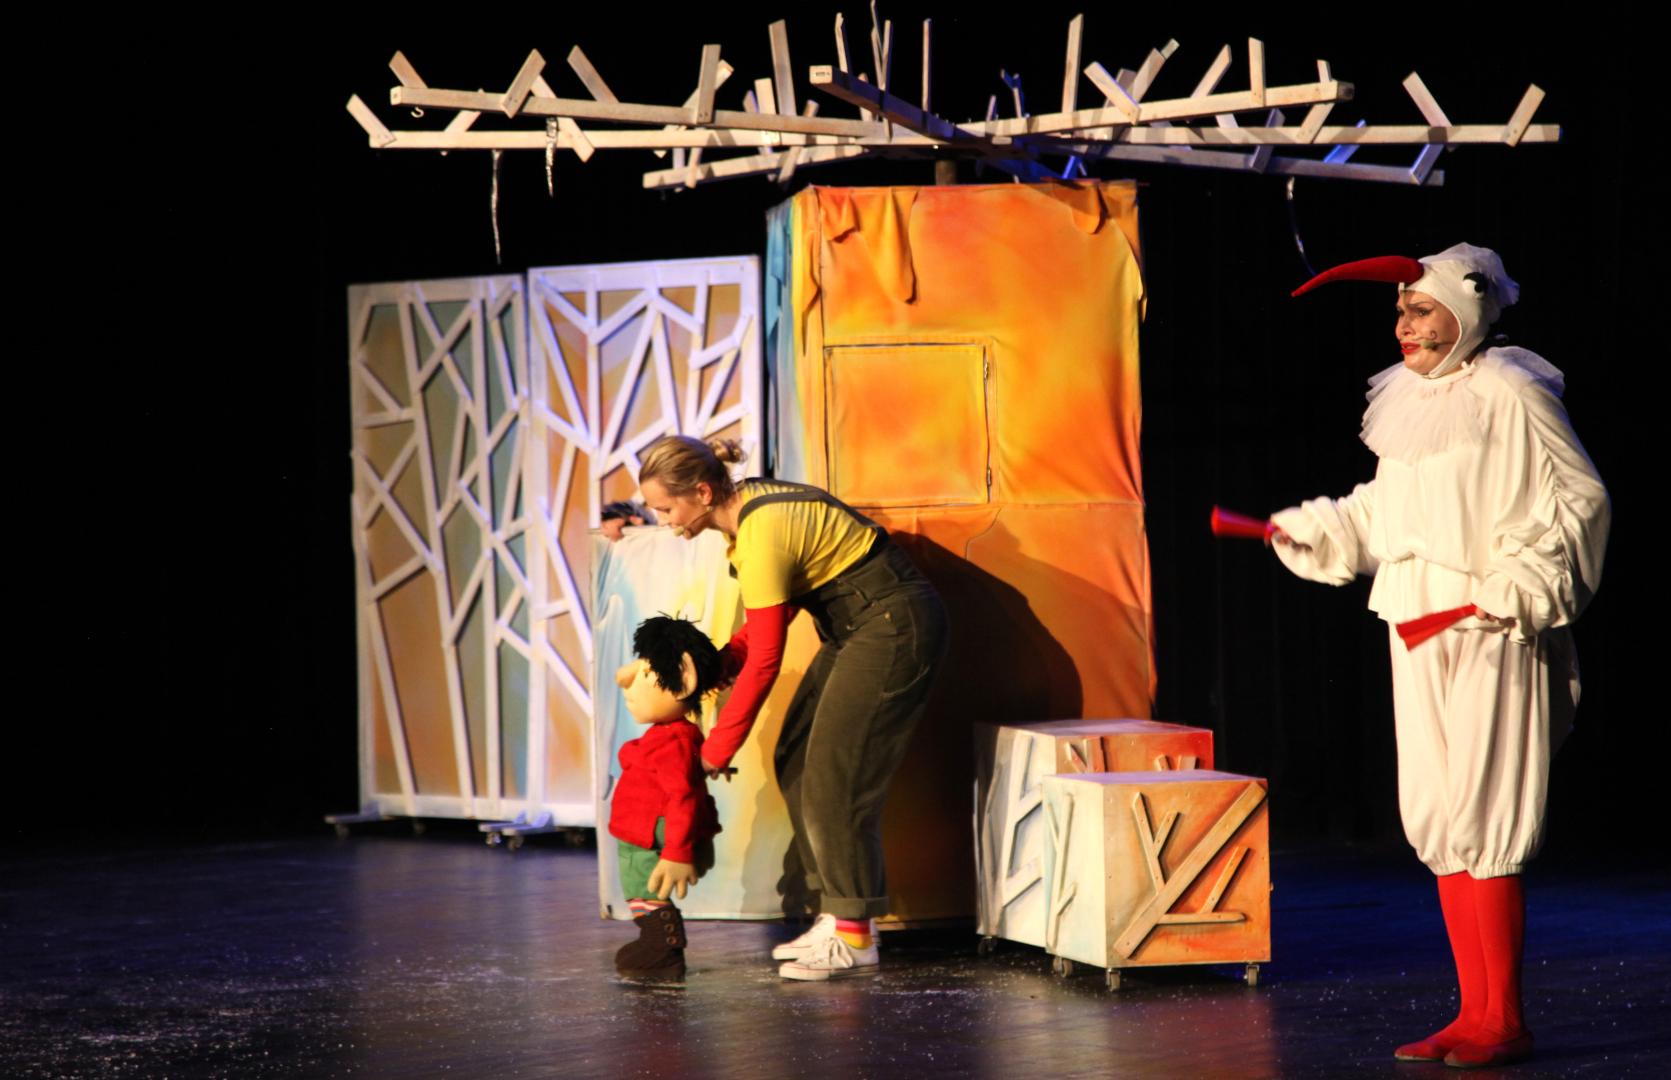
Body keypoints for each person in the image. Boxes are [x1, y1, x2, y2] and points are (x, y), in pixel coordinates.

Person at [1271, 244, 1609, 1068]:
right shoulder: (1406, 398)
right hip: (1414, 614)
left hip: (1491, 621)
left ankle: (1505, 1019)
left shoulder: (1512, 391)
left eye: (1419, 311)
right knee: (1440, 814)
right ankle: (1472, 1012)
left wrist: (1524, 581)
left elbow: (1581, 497)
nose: (1404, 327)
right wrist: (1326, 528)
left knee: (1487, 810)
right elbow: (1388, 509)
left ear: (1467, 311)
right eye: (1399, 313)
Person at [636, 435, 948, 981]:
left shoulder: (760, 534)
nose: (664, 522)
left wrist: (716, 749)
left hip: (891, 626)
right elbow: (762, 630)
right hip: (856, 626)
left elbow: (765, 661)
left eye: (666, 509)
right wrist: (714, 668)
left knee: (836, 777)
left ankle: (855, 937)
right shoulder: (745, 513)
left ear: (702, 493)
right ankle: (839, 913)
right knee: (798, 758)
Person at [608, 616, 725, 983]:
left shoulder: (674, 742)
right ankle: (658, 943)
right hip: (642, 828)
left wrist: (677, 851)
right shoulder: (670, 736)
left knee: (642, 883)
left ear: (681, 682)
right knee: (639, 882)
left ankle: (662, 944)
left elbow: (683, 797)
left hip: (649, 833)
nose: (628, 683)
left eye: (646, 674)